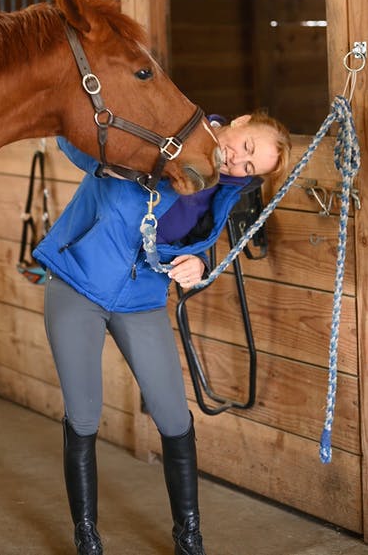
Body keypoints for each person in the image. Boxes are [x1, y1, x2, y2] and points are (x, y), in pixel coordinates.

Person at [33, 110, 291, 555]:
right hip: (78, 281)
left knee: (175, 418)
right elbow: (69, 134)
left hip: (142, 297)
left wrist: (200, 264)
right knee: (84, 416)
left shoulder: (224, 191)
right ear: (241, 121)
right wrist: (103, 163)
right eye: (246, 147)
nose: (238, 162)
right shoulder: (164, 127)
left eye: (251, 167)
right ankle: (87, 534)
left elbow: (199, 242)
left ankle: (188, 536)